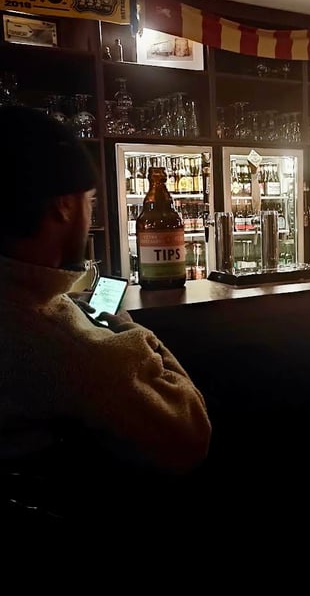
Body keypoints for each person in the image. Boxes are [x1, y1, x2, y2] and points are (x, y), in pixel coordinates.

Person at [0, 105, 211, 526]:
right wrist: (124, 326)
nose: (90, 214)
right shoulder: (69, 347)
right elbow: (189, 431)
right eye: (90, 202)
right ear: (63, 206)